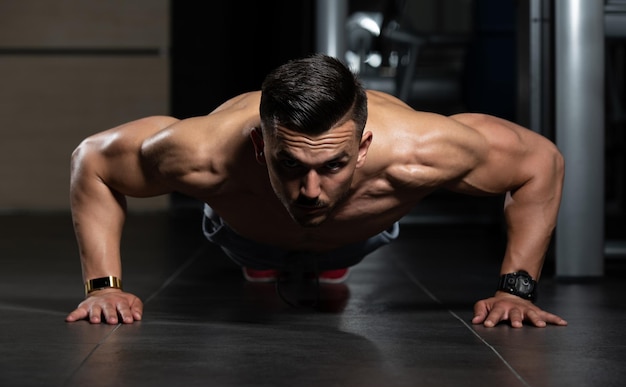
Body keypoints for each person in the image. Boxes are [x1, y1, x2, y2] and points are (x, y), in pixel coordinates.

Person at [65, 54, 567, 328]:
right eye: (290, 164)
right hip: (244, 231)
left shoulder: (423, 149)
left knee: (325, 249)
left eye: (332, 165)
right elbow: (92, 161)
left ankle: (323, 260)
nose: (310, 191)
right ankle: (267, 260)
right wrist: (103, 287)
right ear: (261, 146)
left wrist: (516, 289)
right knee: (259, 253)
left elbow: (540, 161)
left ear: (364, 147)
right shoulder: (202, 151)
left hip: (362, 234)